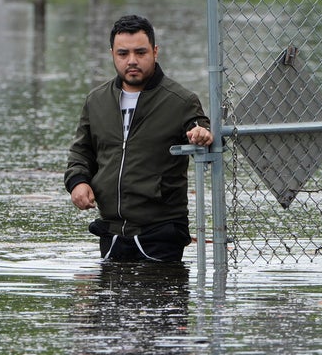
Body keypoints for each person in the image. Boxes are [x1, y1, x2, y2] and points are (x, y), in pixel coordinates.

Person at [64, 14, 213, 262]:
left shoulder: (181, 100)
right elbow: (82, 152)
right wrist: (77, 182)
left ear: (155, 51)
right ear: (112, 53)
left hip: (162, 232)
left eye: (140, 52)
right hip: (111, 233)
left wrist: (200, 133)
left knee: (160, 297)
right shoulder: (96, 100)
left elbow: (199, 125)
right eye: (123, 54)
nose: (132, 61)